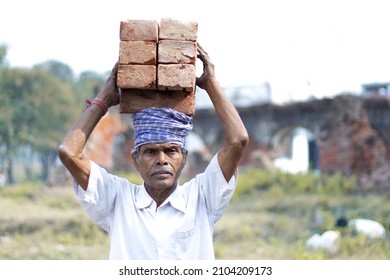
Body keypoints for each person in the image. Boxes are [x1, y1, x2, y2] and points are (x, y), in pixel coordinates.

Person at [58, 43, 249, 259]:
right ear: (135, 159)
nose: (162, 160)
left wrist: (210, 83)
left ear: (184, 157)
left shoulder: (202, 196)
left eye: (171, 151)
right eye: (150, 152)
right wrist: (105, 99)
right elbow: (69, 152)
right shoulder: (117, 198)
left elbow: (238, 140)